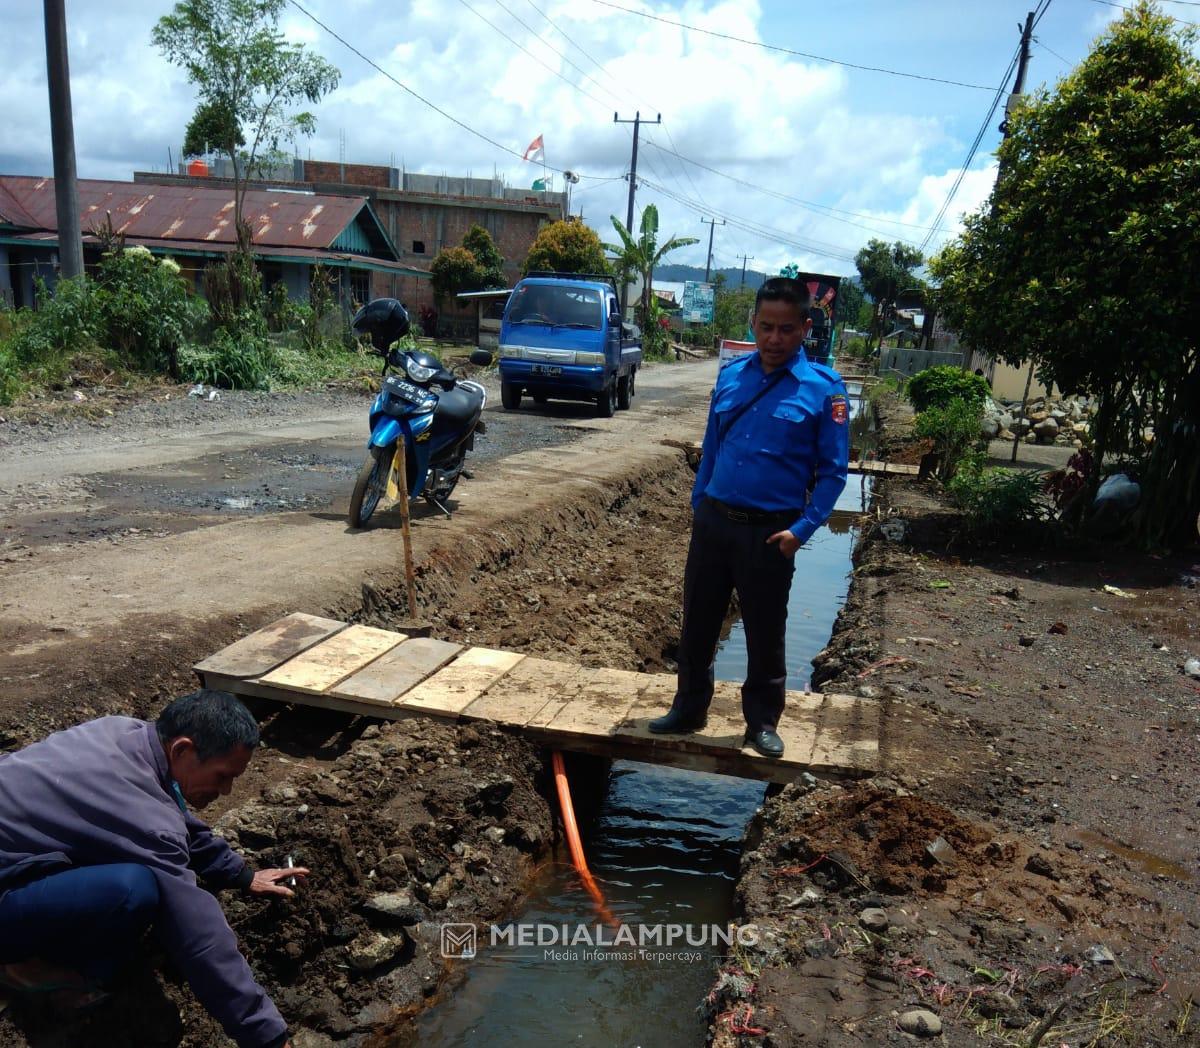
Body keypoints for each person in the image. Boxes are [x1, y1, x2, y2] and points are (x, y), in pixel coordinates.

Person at [0, 690, 307, 1048]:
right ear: (182, 750)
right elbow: (198, 936)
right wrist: (268, 1036)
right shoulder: (142, 813)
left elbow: (170, 813)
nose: (226, 791)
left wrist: (240, 875)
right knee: (133, 890)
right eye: (222, 776)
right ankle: (25, 970)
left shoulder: (121, 733)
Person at [650, 277, 851, 758]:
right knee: (697, 621)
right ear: (754, 324)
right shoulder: (732, 376)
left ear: (805, 327)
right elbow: (713, 445)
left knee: (765, 630)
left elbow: (833, 474)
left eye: (786, 329)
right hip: (715, 523)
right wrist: (701, 504)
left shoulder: (824, 390)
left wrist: (800, 531)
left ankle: (761, 722)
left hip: (771, 533)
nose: (774, 339)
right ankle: (688, 708)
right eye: (765, 327)